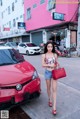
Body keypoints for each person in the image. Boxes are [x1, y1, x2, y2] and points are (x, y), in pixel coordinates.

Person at [42, 41, 59, 115]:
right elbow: (42, 64)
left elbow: (56, 63)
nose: (50, 48)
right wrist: (50, 65)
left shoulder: (55, 55)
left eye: (51, 47)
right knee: (48, 88)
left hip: (54, 73)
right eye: (48, 46)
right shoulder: (44, 55)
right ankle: (49, 99)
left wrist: (56, 65)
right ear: (46, 47)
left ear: (53, 47)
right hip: (47, 73)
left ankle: (54, 108)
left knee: (54, 89)